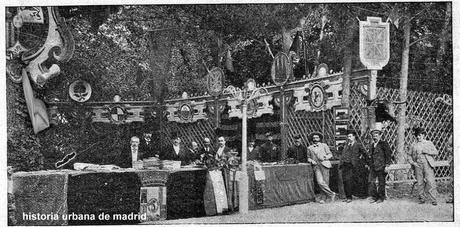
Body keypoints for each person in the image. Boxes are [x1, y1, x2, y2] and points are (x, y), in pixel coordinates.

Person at [407, 128, 439, 206]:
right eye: (417, 135)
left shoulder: (429, 143)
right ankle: (422, 198)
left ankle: (433, 199)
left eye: (420, 135)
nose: (418, 137)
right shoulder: (413, 145)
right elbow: (409, 155)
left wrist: (427, 151)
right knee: (420, 182)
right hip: (418, 165)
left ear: (423, 135)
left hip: (427, 164)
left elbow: (436, 152)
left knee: (430, 181)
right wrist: (413, 163)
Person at [307, 132, 337, 203]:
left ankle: (324, 198)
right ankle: (331, 194)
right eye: (314, 138)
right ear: (312, 139)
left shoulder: (324, 145)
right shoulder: (309, 148)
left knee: (326, 182)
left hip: (325, 164)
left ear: (319, 138)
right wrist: (311, 161)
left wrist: (325, 157)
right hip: (316, 166)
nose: (315, 139)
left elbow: (330, 154)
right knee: (320, 182)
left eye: (317, 138)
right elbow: (308, 158)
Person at [339, 130, 367, 202]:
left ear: (354, 137)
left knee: (351, 181)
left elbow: (365, 154)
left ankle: (351, 197)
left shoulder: (358, 145)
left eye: (350, 136)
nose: (349, 138)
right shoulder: (346, 145)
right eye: (348, 136)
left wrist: (364, 162)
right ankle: (348, 197)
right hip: (345, 165)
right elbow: (342, 154)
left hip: (353, 166)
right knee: (345, 181)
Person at [368, 125, 392, 204]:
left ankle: (381, 198)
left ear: (380, 135)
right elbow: (371, 156)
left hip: (381, 166)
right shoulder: (372, 145)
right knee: (372, 182)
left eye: (376, 135)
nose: (375, 137)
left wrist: (387, 165)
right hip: (373, 166)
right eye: (373, 136)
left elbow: (388, 155)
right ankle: (375, 197)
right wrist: (369, 165)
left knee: (381, 183)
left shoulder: (383, 143)